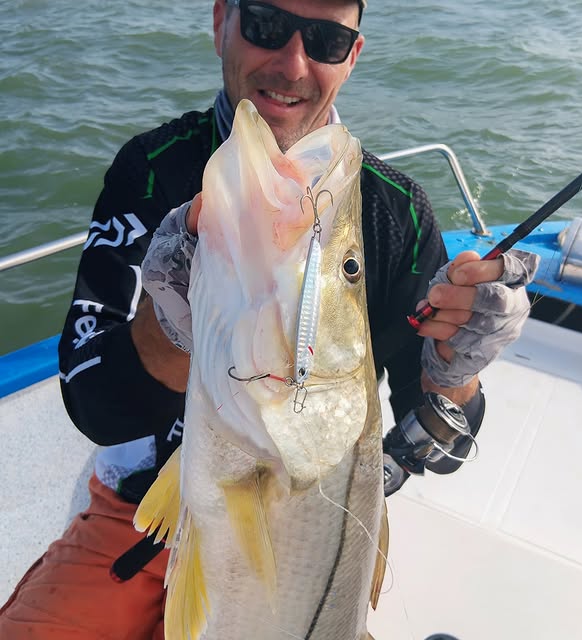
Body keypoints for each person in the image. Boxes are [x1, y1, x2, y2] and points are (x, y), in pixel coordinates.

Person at [0, 0, 538, 638]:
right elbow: (96, 407)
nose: (293, 63)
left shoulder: (397, 213)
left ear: (352, 56)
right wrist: (173, 327)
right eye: (266, 24)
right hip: (135, 512)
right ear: (221, 22)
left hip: (306, 541)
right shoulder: (151, 168)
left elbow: (441, 448)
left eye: (326, 40)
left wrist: (456, 371)